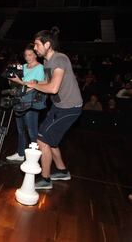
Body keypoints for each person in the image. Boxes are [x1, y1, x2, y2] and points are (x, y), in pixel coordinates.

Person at [26, 27, 83, 190]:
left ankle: (45, 178)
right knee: (51, 140)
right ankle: (62, 171)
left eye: (37, 45)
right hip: (59, 106)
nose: (34, 48)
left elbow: (53, 88)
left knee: (42, 139)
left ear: (48, 44)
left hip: (70, 107)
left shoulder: (60, 59)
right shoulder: (47, 61)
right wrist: (32, 84)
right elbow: (46, 82)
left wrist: (38, 86)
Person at [6, 44, 45, 162]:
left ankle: (34, 158)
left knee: (32, 131)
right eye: (25, 55)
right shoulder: (22, 66)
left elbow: (35, 86)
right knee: (20, 130)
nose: (27, 57)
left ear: (36, 55)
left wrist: (19, 81)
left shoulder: (40, 68)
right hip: (19, 100)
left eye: (30, 55)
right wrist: (11, 80)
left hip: (32, 101)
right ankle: (20, 153)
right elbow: (14, 84)